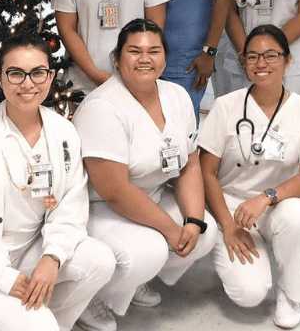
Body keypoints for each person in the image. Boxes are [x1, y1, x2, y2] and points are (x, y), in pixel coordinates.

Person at [0, 35, 116, 331]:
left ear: (50, 76)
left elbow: (70, 205)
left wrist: (52, 257)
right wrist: (3, 276)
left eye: (38, 73)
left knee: (101, 261)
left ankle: (44, 321)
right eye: (15, 73)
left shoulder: (62, 132)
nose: (28, 84)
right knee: (39, 326)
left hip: (31, 252)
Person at [73, 19, 217, 331]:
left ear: (164, 57)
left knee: (206, 232)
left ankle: (128, 282)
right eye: (134, 51)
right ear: (117, 58)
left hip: (150, 197)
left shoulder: (176, 95)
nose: (144, 58)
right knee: (148, 252)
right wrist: (170, 229)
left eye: (154, 51)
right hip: (99, 208)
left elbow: (189, 163)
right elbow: (115, 192)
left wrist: (192, 221)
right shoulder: (103, 106)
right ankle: (85, 295)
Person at [198, 25, 300, 329]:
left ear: (288, 61)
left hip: (275, 202)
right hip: (228, 205)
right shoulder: (226, 106)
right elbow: (206, 171)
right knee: (249, 294)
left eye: (270, 56)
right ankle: (231, 256)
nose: (261, 64)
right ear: (244, 63)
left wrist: (266, 198)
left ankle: (289, 293)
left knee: (298, 218)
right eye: (252, 57)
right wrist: (227, 226)